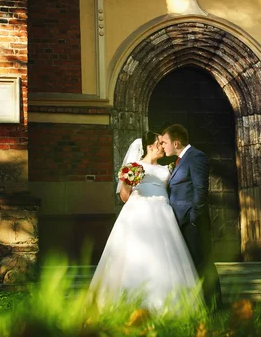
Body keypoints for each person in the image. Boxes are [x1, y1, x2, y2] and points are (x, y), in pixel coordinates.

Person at [87, 131, 203, 313]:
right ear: (150, 146)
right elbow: (125, 197)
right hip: (139, 211)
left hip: (163, 213)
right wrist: (127, 181)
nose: (163, 146)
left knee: (165, 255)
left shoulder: (167, 170)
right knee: (135, 252)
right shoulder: (135, 166)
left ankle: (169, 305)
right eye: (159, 143)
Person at [160, 124, 222, 309]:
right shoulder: (180, 160)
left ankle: (214, 306)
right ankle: (202, 305)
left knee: (203, 264)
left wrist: (194, 218)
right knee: (193, 265)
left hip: (193, 223)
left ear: (176, 142)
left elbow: (201, 190)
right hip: (182, 223)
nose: (162, 146)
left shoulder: (196, 157)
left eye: (164, 142)